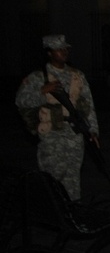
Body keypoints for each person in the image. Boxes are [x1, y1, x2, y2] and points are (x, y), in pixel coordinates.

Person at [15, 34, 99, 201]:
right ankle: (52, 213)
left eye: (65, 48)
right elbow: (21, 101)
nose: (64, 52)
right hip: (51, 135)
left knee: (73, 178)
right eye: (59, 49)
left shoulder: (77, 75)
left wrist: (93, 131)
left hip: (74, 134)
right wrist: (42, 92)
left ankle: (72, 213)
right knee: (52, 178)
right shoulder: (38, 77)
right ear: (49, 53)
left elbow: (88, 105)